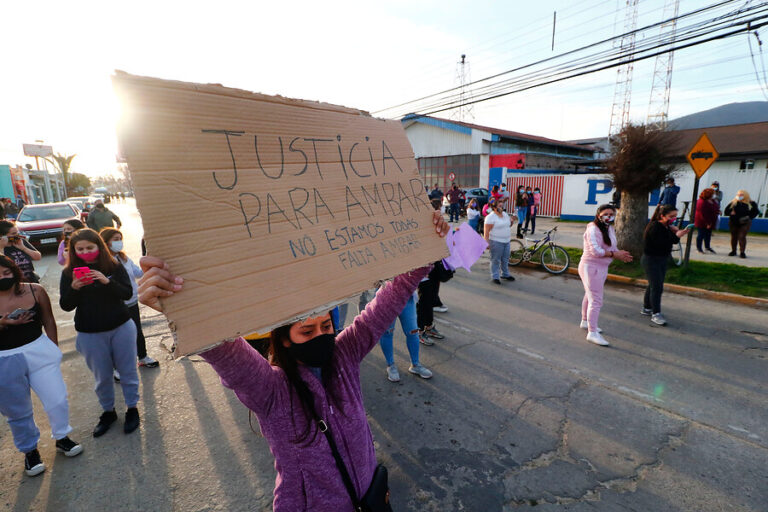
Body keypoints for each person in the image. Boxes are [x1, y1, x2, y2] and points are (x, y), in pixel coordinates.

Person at [137, 210, 450, 511]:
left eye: (326, 327)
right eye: (307, 330)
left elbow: (390, 299)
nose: (321, 335)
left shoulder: (344, 356)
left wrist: (426, 241)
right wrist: (178, 304)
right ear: (285, 339)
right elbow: (221, 346)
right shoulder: (270, 389)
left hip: (369, 499)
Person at [0, 256, 83, 477]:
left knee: (57, 398)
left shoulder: (34, 290)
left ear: (14, 271)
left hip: (39, 350)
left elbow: (48, 320)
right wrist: (3, 323)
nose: (2, 278)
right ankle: (30, 451)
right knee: (18, 411)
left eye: (6, 273)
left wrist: (54, 349)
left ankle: (62, 437)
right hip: (4, 359)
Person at [59, 228, 140, 437]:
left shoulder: (113, 265)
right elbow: (66, 305)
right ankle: (108, 411)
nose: (85, 252)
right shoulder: (68, 273)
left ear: (99, 247)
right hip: (90, 332)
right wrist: (75, 288)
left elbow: (127, 293)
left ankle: (132, 408)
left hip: (121, 326)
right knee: (102, 377)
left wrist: (107, 281)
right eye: (80, 249)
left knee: (128, 371)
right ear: (74, 251)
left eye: (90, 247)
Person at [100, 228, 159, 369]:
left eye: (120, 238)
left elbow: (139, 273)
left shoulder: (123, 258)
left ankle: (143, 357)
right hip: (116, 305)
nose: (119, 242)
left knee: (137, 331)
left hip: (132, 301)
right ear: (105, 242)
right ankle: (117, 367)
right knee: (118, 337)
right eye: (115, 239)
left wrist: (149, 263)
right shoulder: (104, 263)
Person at [578, 205, 633, 346]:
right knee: (596, 300)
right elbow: (596, 251)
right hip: (590, 267)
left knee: (589, 295)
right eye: (605, 214)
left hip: (601, 267)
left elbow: (612, 247)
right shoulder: (592, 229)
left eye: (611, 214)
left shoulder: (609, 228)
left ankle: (585, 321)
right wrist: (615, 254)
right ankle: (592, 332)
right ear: (598, 215)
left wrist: (621, 254)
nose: (608, 216)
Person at [641, 205, 689, 326]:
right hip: (652, 260)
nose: (674, 218)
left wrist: (676, 233)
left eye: (675, 216)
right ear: (662, 216)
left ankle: (647, 308)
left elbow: (672, 241)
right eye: (671, 216)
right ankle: (656, 314)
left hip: (661, 259)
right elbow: (661, 244)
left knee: (653, 284)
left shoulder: (665, 226)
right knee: (657, 287)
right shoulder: (655, 227)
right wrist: (676, 235)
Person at [378, 290, 432, 382]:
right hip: (386, 298)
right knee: (387, 333)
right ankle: (390, 365)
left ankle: (415, 364)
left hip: (407, 296)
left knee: (413, 332)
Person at [483, 198, 515, 284]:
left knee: (505, 259)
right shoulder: (490, 217)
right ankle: (495, 276)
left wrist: (512, 221)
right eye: (499, 204)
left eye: (501, 203)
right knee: (496, 260)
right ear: (494, 206)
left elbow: (508, 225)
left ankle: (505, 274)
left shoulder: (505, 214)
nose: (501, 205)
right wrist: (486, 242)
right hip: (496, 241)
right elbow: (486, 231)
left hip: (506, 241)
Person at [723, 190, 760, 258]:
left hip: (744, 222)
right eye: (738, 194)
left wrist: (750, 217)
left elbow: (756, 211)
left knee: (741, 236)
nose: (739, 196)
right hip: (733, 222)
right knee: (734, 237)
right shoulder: (733, 202)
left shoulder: (751, 203)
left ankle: (742, 252)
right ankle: (733, 251)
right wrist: (731, 213)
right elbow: (726, 211)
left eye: (741, 195)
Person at [694, 188, 719, 254]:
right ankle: (699, 248)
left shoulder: (713, 201)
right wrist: (707, 223)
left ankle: (707, 247)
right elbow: (702, 214)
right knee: (701, 235)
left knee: (708, 235)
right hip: (703, 222)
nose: (714, 195)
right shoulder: (701, 202)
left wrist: (717, 211)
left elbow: (715, 207)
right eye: (713, 194)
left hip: (711, 221)